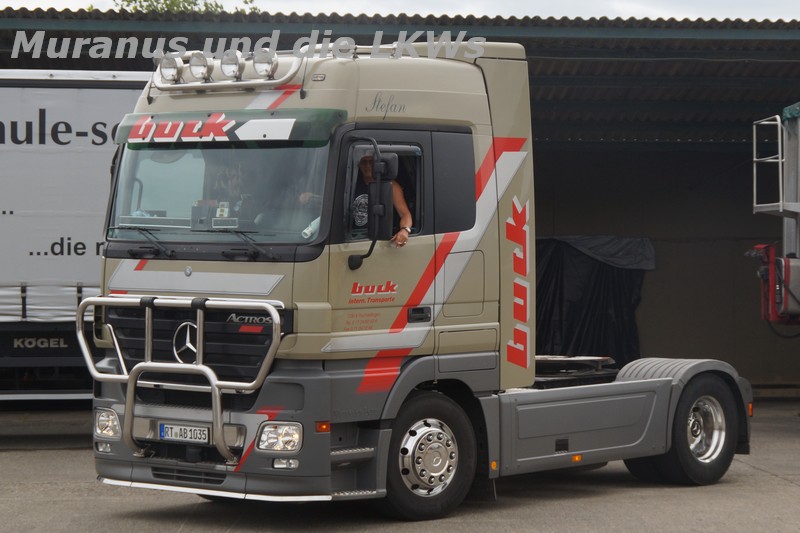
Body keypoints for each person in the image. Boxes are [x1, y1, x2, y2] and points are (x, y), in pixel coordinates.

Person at [351, 154, 413, 248]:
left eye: (371, 162)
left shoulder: (391, 186)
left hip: (380, 242)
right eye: (364, 162)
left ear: (378, 165)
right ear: (359, 165)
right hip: (352, 239)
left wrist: (405, 230)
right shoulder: (351, 184)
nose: (367, 165)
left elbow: (405, 214)